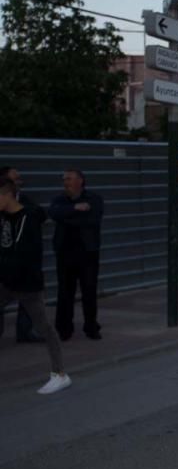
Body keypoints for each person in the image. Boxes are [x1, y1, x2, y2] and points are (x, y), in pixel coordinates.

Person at [0, 177, 70, 394]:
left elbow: (25, 255)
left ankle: (60, 374)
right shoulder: (3, 217)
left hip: (27, 284)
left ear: (7, 195)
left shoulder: (28, 219)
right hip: (5, 281)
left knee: (45, 328)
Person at [49, 169, 104, 341]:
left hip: (87, 252)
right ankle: (64, 329)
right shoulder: (59, 199)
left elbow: (91, 220)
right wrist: (75, 208)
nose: (66, 182)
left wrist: (66, 216)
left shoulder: (93, 199)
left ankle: (91, 327)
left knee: (89, 290)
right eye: (64, 179)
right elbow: (53, 213)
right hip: (65, 252)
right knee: (65, 292)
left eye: (69, 178)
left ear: (80, 181)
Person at [0, 166, 44, 343]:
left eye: (19, 179)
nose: (20, 182)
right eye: (15, 179)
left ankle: (25, 332)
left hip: (21, 259)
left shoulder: (24, 200)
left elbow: (41, 214)